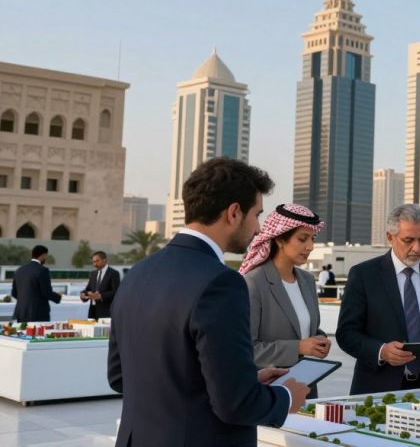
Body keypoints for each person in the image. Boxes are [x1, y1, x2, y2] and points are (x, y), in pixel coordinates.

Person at [108, 157, 308, 447]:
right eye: (257, 215)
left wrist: (244, 376)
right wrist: (287, 397)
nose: (258, 229)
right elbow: (236, 404)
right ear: (234, 213)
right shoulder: (221, 283)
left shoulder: (137, 273)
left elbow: (120, 376)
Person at [336, 204, 420, 394]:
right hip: (376, 387)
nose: (417, 247)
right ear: (390, 237)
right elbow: (346, 333)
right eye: (408, 240)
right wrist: (381, 351)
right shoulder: (364, 275)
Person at [241, 204, 332, 397]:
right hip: (268, 392)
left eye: (312, 238)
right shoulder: (253, 283)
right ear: (280, 239)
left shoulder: (307, 280)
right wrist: (298, 347)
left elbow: (309, 330)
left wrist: (320, 340)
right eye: (302, 239)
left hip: (306, 388)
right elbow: (246, 348)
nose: (310, 246)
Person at [12, 245, 61, 322]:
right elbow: (46, 292)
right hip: (38, 313)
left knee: (22, 333)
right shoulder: (43, 271)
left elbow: (14, 293)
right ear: (43, 255)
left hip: (21, 312)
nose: (45, 258)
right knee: (38, 334)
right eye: (45, 256)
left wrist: (27, 300)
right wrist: (59, 297)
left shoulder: (19, 270)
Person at [79, 250, 120, 319]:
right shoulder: (93, 274)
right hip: (93, 311)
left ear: (105, 260)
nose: (95, 264)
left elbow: (116, 291)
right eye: (93, 262)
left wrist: (100, 296)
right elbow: (88, 289)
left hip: (106, 312)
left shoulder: (113, 273)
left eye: (97, 261)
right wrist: (83, 295)